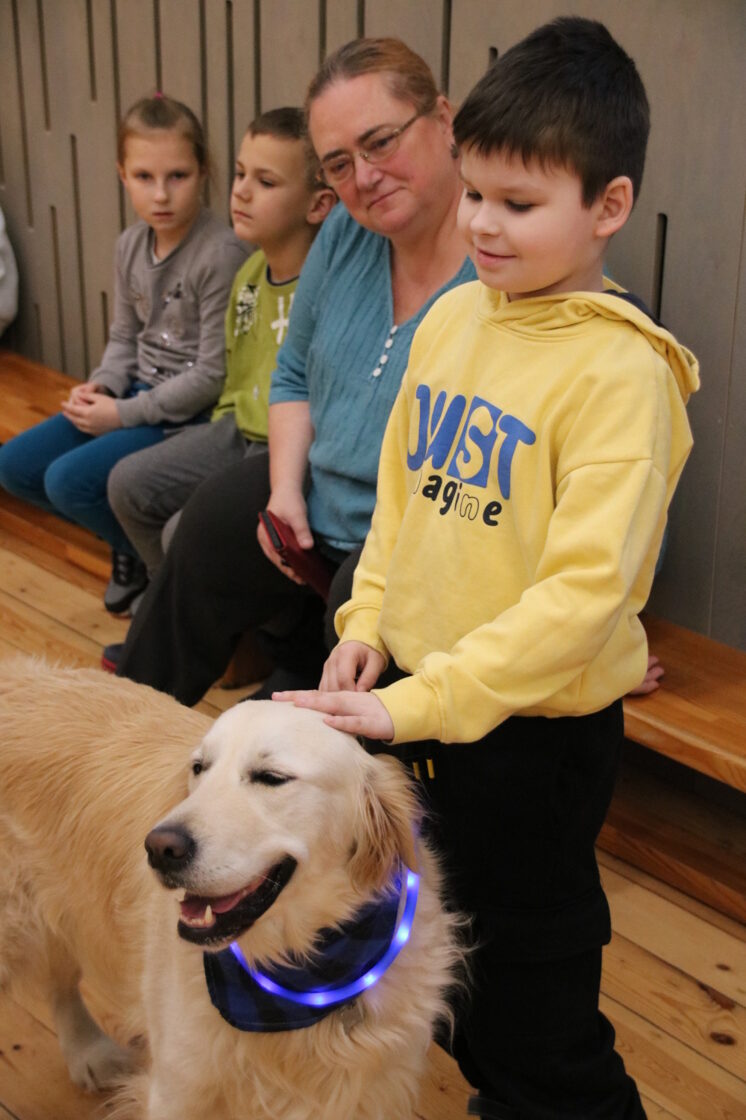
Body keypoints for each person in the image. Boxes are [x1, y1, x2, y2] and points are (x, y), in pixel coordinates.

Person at [278, 18, 699, 1120]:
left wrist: (420, 701)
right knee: (434, 955)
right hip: (416, 705)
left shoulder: (622, 376)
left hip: (531, 744)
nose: (481, 224)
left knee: (533, 1006)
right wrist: (366, 622)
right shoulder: (456, 314)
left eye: (518, 203)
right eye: (473, 193)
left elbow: (582, 602)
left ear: (606, 205)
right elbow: (405, 497)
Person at [114, 37, 475, 703]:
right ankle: (124, 722)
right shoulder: (344, 234)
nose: (364, 176)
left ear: (444, 119)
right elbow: (293, 379)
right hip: (315, 506)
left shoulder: (501, 259)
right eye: (339, 163)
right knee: (211, 520)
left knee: (347, 610)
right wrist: (283, 490)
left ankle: (300, 684)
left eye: (381, 142)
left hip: (413, 544)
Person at [98, 108, 335, 664]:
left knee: (186, 530)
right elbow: (233, 371)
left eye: (266, 181)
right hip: (236, 429)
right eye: (241, 174)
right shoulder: (249, 276)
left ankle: (252, 633)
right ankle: (186, 613)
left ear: (318, 204)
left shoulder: (324, 286)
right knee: (128, 484)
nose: (241, 192)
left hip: (287, 448)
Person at [0, 94, 247, 614]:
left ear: (204, 170)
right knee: (15, 466)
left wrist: (122, 413)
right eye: (143, 177)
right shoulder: (130, 245)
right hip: (132, 396)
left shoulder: (220, 253)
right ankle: (129, 544)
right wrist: (102, 384)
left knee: (66, 480)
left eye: (177, 176)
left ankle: (156, 568)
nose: (161, 194)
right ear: (122, 175)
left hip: (187, 415)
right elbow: (124, 336)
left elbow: (212, 374)